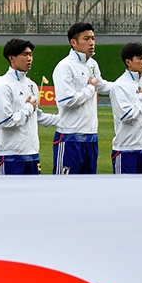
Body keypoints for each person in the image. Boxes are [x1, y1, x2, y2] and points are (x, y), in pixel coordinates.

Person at [52, 22, 112, 174]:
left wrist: (129, 87)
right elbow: (67, 101)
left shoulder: (92, 64)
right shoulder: (64, 67)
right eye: (86, 38)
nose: (91, 42)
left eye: (93, 38)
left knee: (87, 188)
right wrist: (90, 88)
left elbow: (102, 85)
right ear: (73, 42)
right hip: (70, 136)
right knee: (64, 188)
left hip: (91, 136)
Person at [0, 38, 58, 174]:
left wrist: (64, 120)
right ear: (12, 58)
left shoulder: (32, 85)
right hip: (11, 155)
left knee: (34, 195)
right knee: (11, 195)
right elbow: (5, 121)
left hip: (33, 153)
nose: (29, 58)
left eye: (30, 54)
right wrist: (28, 108)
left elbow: (36, 115)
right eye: (24, 54)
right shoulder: (3, 87)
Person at [109, 42, 142, 174]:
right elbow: (127, 116)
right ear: (128, 62)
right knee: (125, 193)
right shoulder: (119, 86)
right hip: (126, 150)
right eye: (140, 58)